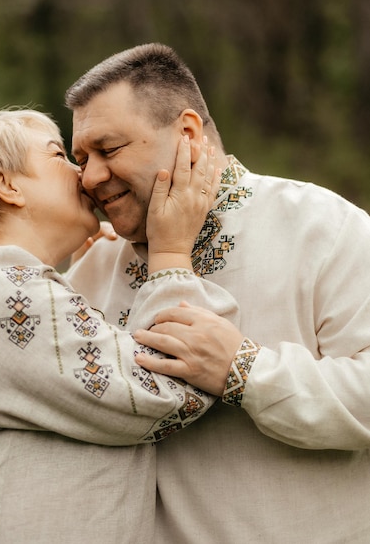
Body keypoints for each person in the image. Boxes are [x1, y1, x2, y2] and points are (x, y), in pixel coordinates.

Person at [66, 43, 370, 544]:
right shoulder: (92, 268)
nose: (91, 176)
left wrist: (246, 371)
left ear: (187, 133)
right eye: (81, 158)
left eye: (109, 149)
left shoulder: (321, 226)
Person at [0, 108, 242, 543]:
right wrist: (170, 253)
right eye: (58, 156)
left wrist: (72, 292)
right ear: (6, 185)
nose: (85, 177)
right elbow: (167, 390)